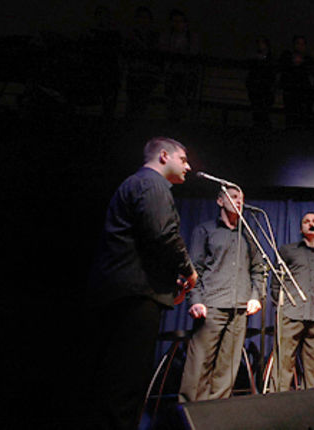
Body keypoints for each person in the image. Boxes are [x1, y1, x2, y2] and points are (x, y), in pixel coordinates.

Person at [88, 137, 197, 430]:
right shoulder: (152, 185)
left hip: (125, 292)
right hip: (134, 298)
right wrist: (188, 272)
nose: (188, 166)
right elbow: (163, 235)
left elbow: (147, 241)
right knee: (127, 382)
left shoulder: (139, 185)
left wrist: (168, 280)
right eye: (183, 159)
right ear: (164, 156)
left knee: (118, 380)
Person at [179, 186, 265, 401]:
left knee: (228, 366)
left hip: (239, 308)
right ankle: (191, 414)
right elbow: (193, 269)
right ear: (220, 201)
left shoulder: (248, 234)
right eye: (234, 197)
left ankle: (216, 413)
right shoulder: (205, 230)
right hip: (211, 305)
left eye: (242, 198)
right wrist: (196, 300)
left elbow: (259, 268)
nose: (239, 201)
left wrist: (255, 295)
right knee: (199, 363)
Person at [271, 212, 314, 390]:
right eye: (306, 221)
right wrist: (281, 305)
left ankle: (312, 403)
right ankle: (279, 401)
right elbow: (276, 282)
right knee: (284, 362)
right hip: (291, 313)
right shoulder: (288, 250)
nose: (310, 224)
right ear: (301, 228)